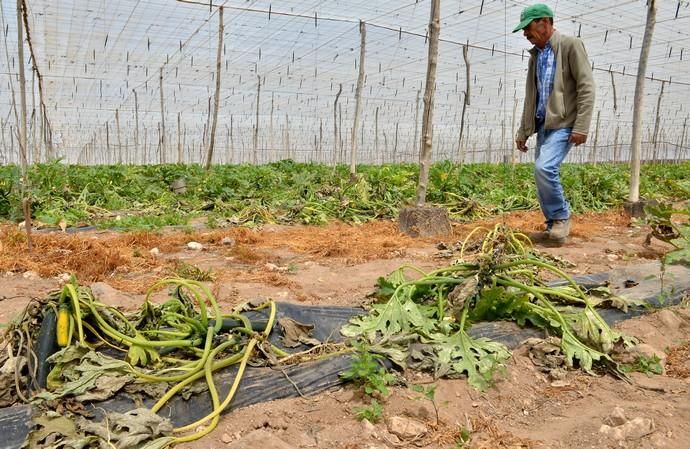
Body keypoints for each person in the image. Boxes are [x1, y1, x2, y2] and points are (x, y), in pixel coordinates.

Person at [513, 4, 595, 244]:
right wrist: (524, 130)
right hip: (543, 125)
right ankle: (552, 227)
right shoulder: (536, 56)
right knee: (541, 173)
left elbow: (586, 87)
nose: (525, 34)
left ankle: (560, 217)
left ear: (544, 22)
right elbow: (532, 96)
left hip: (565, 123)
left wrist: (581, 126)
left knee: (544, 168)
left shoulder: (570, 46)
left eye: (528, 28)